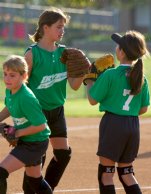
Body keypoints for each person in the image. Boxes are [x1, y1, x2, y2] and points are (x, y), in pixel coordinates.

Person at [23, 7, 87, 193]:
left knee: (63, 154)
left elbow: (74, 85)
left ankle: (46, 189)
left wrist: (84, 71)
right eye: (58, 27)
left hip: (57, 110)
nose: (62, 31)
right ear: (45, 27)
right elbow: (20, 86)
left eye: (63, 28)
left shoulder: (65, 54)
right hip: (37, 112)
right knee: (37, 156)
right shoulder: (32, 54)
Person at [85, 30, 150, 194]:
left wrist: (90, 79)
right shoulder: (142, 77)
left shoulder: (110, 74)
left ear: (121, 52)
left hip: (113, 124)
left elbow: (92, 100)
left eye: (118, 46)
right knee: (127, 173)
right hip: (133, 126)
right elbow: (143, 108)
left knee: (106, 174)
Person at [0, 55, 52, 194]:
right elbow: (9, 107)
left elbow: (41, 125)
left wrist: (16, 132)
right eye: (5, 74)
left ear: (24, 76)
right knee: (35, 180)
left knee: (0, 173)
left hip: (35, 143)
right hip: (28, 141)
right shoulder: (10, 90)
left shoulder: (26, 97)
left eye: (12, 75)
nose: (7, 79)